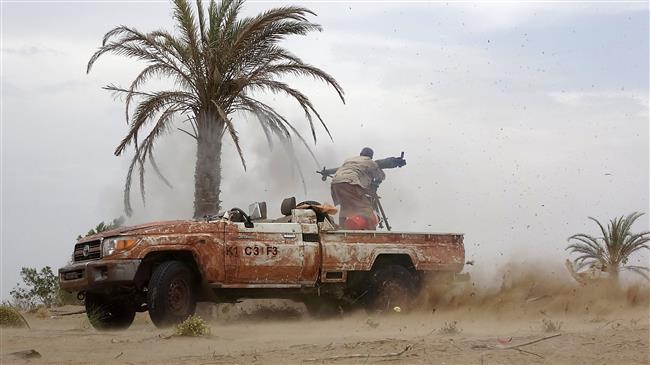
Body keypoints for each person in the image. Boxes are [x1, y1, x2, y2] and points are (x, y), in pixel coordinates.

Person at [330, 147, 385, 229]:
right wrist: (375, 184)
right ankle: (372, 234)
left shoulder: (349, 160)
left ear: (360, 154)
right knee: (367, 209)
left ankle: (342, 230)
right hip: (350, 183)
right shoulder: (370, 162)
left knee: (345, 207)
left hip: (335, 184)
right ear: (371, 156)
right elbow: (380, 176)